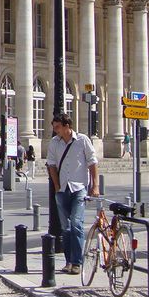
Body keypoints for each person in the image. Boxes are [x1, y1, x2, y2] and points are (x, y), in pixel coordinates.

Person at [46, 113, 99, 274]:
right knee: (66, 228)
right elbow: (51, 165)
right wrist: (56, 186)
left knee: (76, 224)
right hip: (62, 189)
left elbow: (92, 162)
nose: (55, 131)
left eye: (57, 127)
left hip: (79, 188)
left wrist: (95, 186)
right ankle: (69, 261)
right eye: (54, 127)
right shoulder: (54, 143)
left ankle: (77, 262)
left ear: (67, 126)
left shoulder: (82, 140)